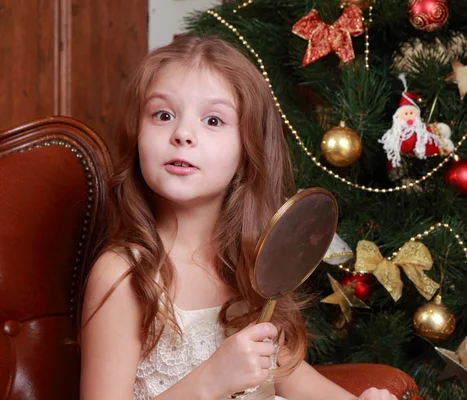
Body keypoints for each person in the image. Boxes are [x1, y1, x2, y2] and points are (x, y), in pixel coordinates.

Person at [79, 35, 399, 400]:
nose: (182, 134)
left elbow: (298, 383)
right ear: (137, 135)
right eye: (163, 115)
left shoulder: (251, 266)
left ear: (248, 148)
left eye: (213, 120)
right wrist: (210, 380)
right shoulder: (124, 275)